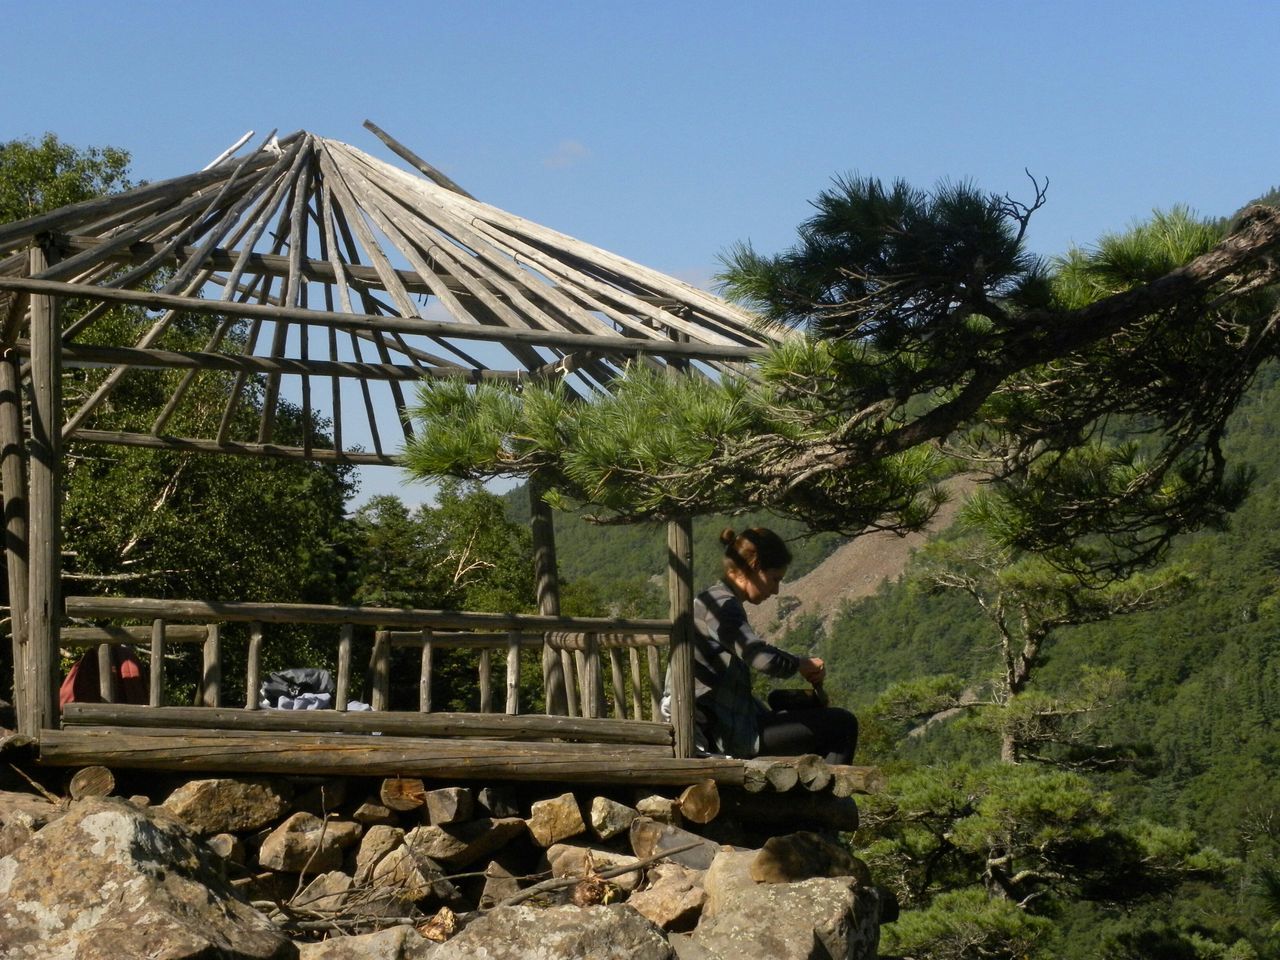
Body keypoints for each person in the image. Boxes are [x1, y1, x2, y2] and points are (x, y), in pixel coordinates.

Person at [664, 526, 858, 763]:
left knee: (788, 706)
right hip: (719, 732)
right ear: (755, 567)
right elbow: (760, 657)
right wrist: (800, 664)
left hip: (716, 723)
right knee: (843, 724)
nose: (776, 590)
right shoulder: (722, 606)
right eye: (774, 579)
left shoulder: (713, 599)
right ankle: (827, 800)